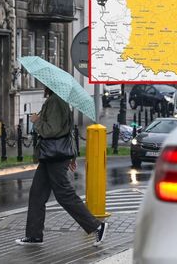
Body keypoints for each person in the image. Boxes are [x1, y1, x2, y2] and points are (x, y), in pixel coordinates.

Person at [15, 87, 108, 247]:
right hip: (50, 155)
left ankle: (97, 226)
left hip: (54, 156)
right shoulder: (56, 99)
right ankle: (34, 235)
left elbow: (52, 130)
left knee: (64, 194)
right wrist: (71, 155)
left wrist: (37, 121)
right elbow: (67, 129)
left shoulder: (56, 101)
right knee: (37, 194)